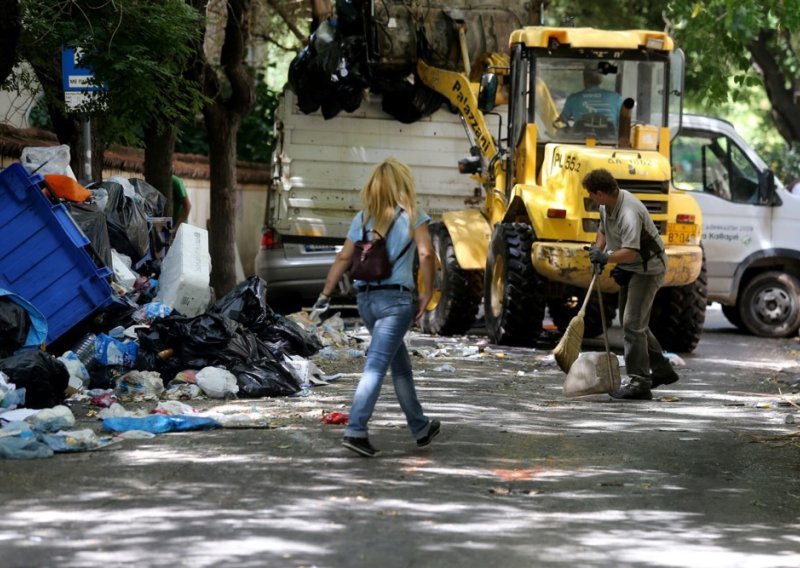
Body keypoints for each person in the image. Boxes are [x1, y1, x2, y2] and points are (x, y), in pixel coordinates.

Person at [310, 157, 438, 457]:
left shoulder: (363, 218)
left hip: (365, 301)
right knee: (377, 365)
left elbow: (343, 258)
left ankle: (420, 427)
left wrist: (325, 294)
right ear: (402, 183)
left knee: (400, 366)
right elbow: (426, 253)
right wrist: (427, 292)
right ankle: (356, 430)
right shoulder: (413, 215)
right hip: (395, 302)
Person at [583, 168, 680, 400]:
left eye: (591, 195)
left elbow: (631, 250)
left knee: (632, 324)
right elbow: (603, 231)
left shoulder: (629, 211)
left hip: (648, 269)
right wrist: (598, 250)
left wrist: (607, 259)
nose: (591, 199)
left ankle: (640, 382)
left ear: (600, 192)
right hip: (632, 267)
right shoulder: (606, 206)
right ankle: (662, 370)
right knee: (637, 324)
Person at [558, 63, 623, 132]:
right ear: (601, 79)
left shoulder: (573, 99)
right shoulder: (616, 98)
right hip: (610, 141)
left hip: (579, 140)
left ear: (584, 79)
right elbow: (623, 123)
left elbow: (562, 121)